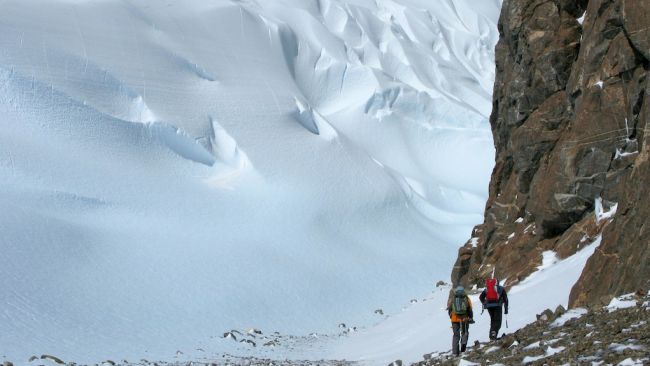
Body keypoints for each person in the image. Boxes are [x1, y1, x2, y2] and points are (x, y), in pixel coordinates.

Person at [447, 285, 474, 356]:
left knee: (456, 335)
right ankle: (463, 349)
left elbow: (449, 309)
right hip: (464, 318)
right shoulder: (466, 298)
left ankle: (455, 353)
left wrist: (451, 317)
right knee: (464, 332)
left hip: (454, 319)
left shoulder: (453, 298)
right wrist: (470, 318)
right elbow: (470, 309)